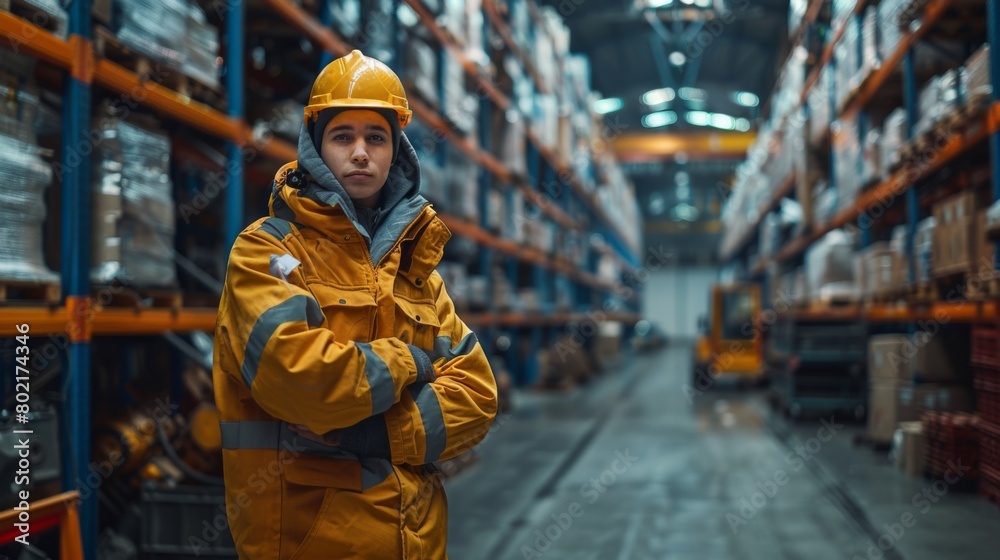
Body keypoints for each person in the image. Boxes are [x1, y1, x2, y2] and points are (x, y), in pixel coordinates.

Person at [213, 50, 499, 559]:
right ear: (317, 147)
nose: (361, 152)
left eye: (376, 137)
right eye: (343, 136)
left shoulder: (416, 274)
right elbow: (298, 376)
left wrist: (378, 432)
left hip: (418, 542)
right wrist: (412, 361)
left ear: (397, 152)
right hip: (312, 543)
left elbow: (477, 397)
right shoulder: (269, 252)